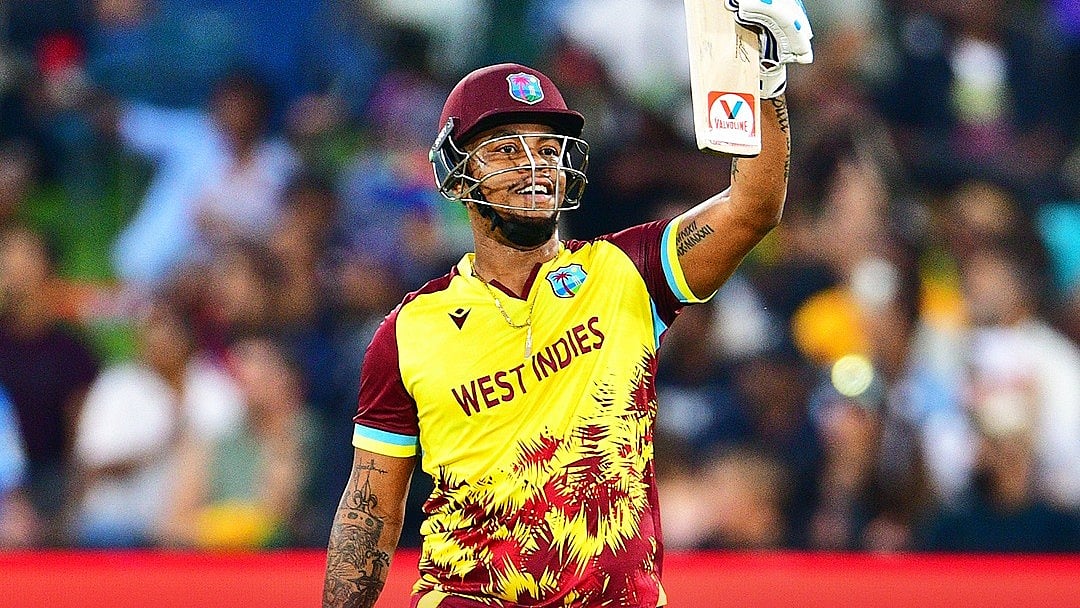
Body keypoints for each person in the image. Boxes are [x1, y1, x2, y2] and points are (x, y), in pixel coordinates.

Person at [322, 3, 812, 606]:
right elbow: (368, 514)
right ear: (456, 171)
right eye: (505, 150)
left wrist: (763, 80)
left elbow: (752, 208)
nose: (534, 167)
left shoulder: (624, 273)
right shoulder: (407, 333)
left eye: (548, 148)